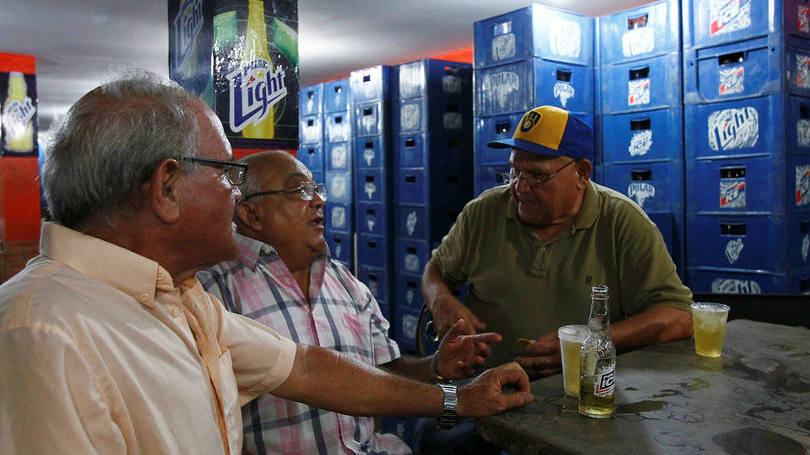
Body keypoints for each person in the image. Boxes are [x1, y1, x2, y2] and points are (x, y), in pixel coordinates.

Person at [0, 73, 534, 454]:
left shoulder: (178, 300)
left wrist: (455, 399)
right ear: (166, 188)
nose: (236, 194)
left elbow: (304, 367)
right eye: (226, 175)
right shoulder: (41, 335)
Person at [199, 150, 503, 454]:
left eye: (317, 189)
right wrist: (455, 401)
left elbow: (383, 371)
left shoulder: (345, 282)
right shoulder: (217, 292)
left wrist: (435, 366)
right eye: (299, 191)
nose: (318, 201)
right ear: (251, 215)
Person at [422, 105, 694, 380]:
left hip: (582, 399)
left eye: (538, 176)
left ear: (582, 173)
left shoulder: (621, 222)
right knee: (435, 422)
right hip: (479, 394)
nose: (520, 187)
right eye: (515, 171)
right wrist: (441, 300)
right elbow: (435, 271)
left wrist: (589, 342)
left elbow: (678, 317)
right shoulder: (483, 212)